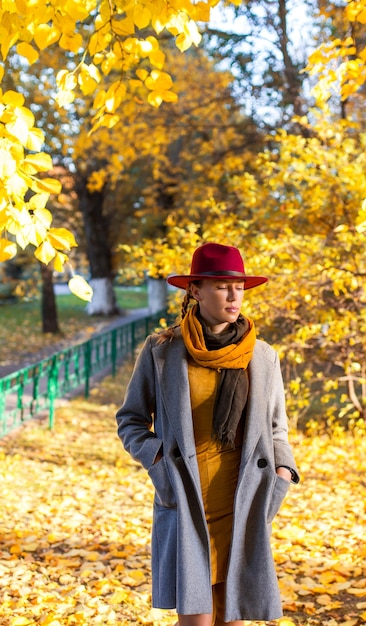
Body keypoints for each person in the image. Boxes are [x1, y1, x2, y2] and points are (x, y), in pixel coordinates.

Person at [116, 242, 299, 626]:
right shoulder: (162, 351)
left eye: (239, 286)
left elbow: (277, 428)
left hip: (243, 504)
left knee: (234, 618)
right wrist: (157, 459)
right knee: (196, 621)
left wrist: (283, 473)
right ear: (195, 291)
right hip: (188, 501)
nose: (234, 295)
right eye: (220, 286)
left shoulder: (263, 356)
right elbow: (131, 419)